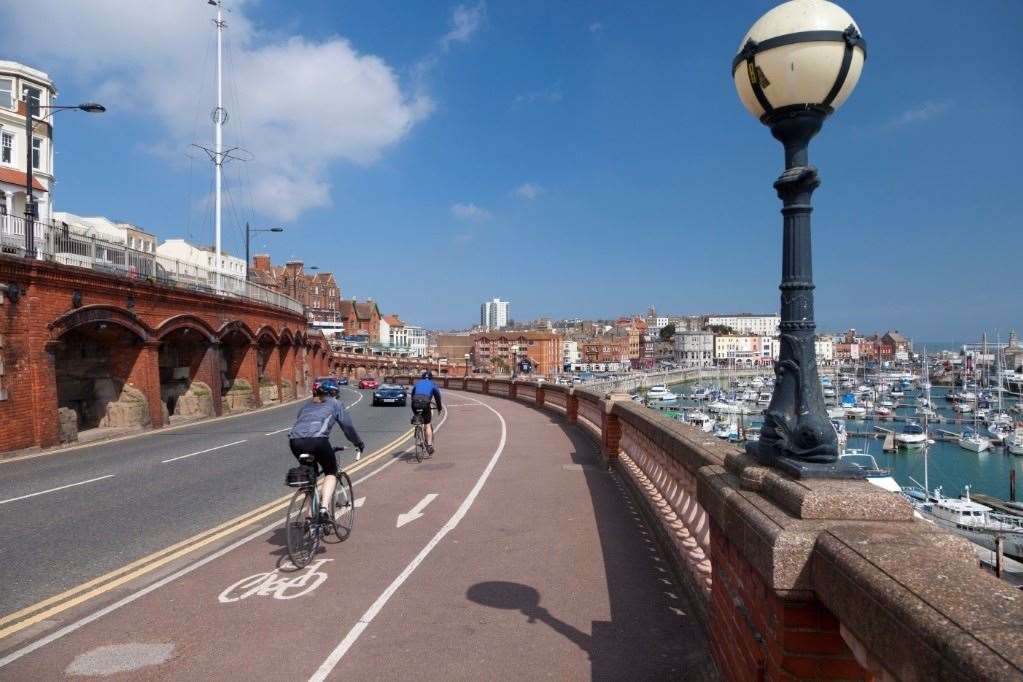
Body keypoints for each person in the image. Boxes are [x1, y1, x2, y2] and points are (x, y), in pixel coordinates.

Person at [288, 378, 365, 522]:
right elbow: (347, 427)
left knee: (310, 477)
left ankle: (309, 517)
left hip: (295, 442)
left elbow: (301, 424)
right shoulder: (336, 404)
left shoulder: (305, 406)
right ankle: (323, 509)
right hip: (318, 441)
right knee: (331, 472)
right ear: (334, 393)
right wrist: (358, 443)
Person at [410, 370, 443, 454]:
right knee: (427, 424)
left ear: (422, 377)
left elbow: (412, 395)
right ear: (431, 378)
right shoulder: (433, 384)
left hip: (415, 403)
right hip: (425, 404)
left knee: (418, 416)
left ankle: (417, 424)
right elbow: (438, 397)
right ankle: (429, 445)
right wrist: (439, 408)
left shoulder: (418, 383)